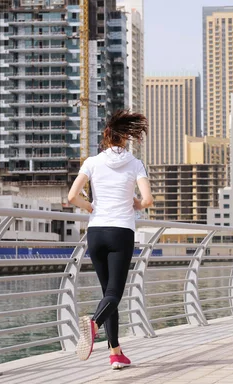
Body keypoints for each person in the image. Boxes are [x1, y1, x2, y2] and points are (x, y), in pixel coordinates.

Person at [67, 110, 153, 369]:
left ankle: (115, 353)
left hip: (96, 232)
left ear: (106, 137)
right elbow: (147, 200)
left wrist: (91, 207)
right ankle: (94, 324)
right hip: (120, 231)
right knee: (115, 292)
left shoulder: (92, 162)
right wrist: (136, 203)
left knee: (108, 293)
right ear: (125, 138)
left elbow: (72, 196)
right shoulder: (135, 163)